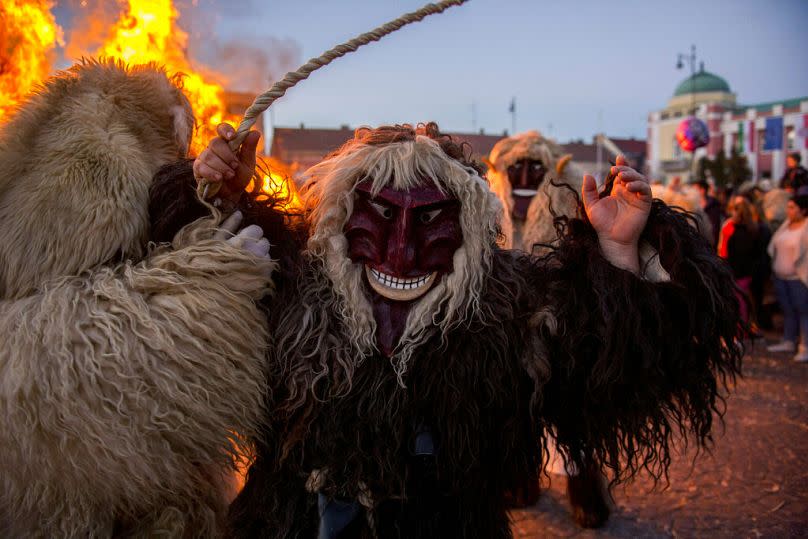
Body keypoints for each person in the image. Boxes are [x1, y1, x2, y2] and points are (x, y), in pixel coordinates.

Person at [156, 122, 742, 538]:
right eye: (382, 215)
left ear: (467, 225)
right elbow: (157, 286)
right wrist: (210, 195)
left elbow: (611, 371)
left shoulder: (507, 306)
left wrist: (618, 253)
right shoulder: (288, 283)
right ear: (340, 216)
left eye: (432, 219)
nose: (403, 251)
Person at [0, 60, 276, 537]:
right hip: (66, 488)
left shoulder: (124, 168)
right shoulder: (91, 167)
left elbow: (152, 234)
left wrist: (213, 193)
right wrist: (210, 275)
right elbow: (75, 313)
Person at [766, 195, 808, 362]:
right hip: (781, 277)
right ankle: (789, 340)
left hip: (798, 278)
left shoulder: (805, 228)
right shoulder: (785, 225)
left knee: (803, 311)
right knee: (788, 310)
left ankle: (805, 346)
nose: (788, 211)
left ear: (803, 209)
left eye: (792, 207)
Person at [719, 196, 770, 327]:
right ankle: (745, 326)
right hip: (747, 271)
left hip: (737, 271)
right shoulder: (754, 228)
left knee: (739, 300)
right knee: (744, 299)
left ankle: (740, 329)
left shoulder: (735, 229)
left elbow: (725, 250)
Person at [694, 180, 722, 247]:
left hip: (711, 244)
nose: (692, 193)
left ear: (702, 190)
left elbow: (716, 226)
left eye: (695, 190)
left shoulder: (714, 205)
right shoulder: (694, 206)